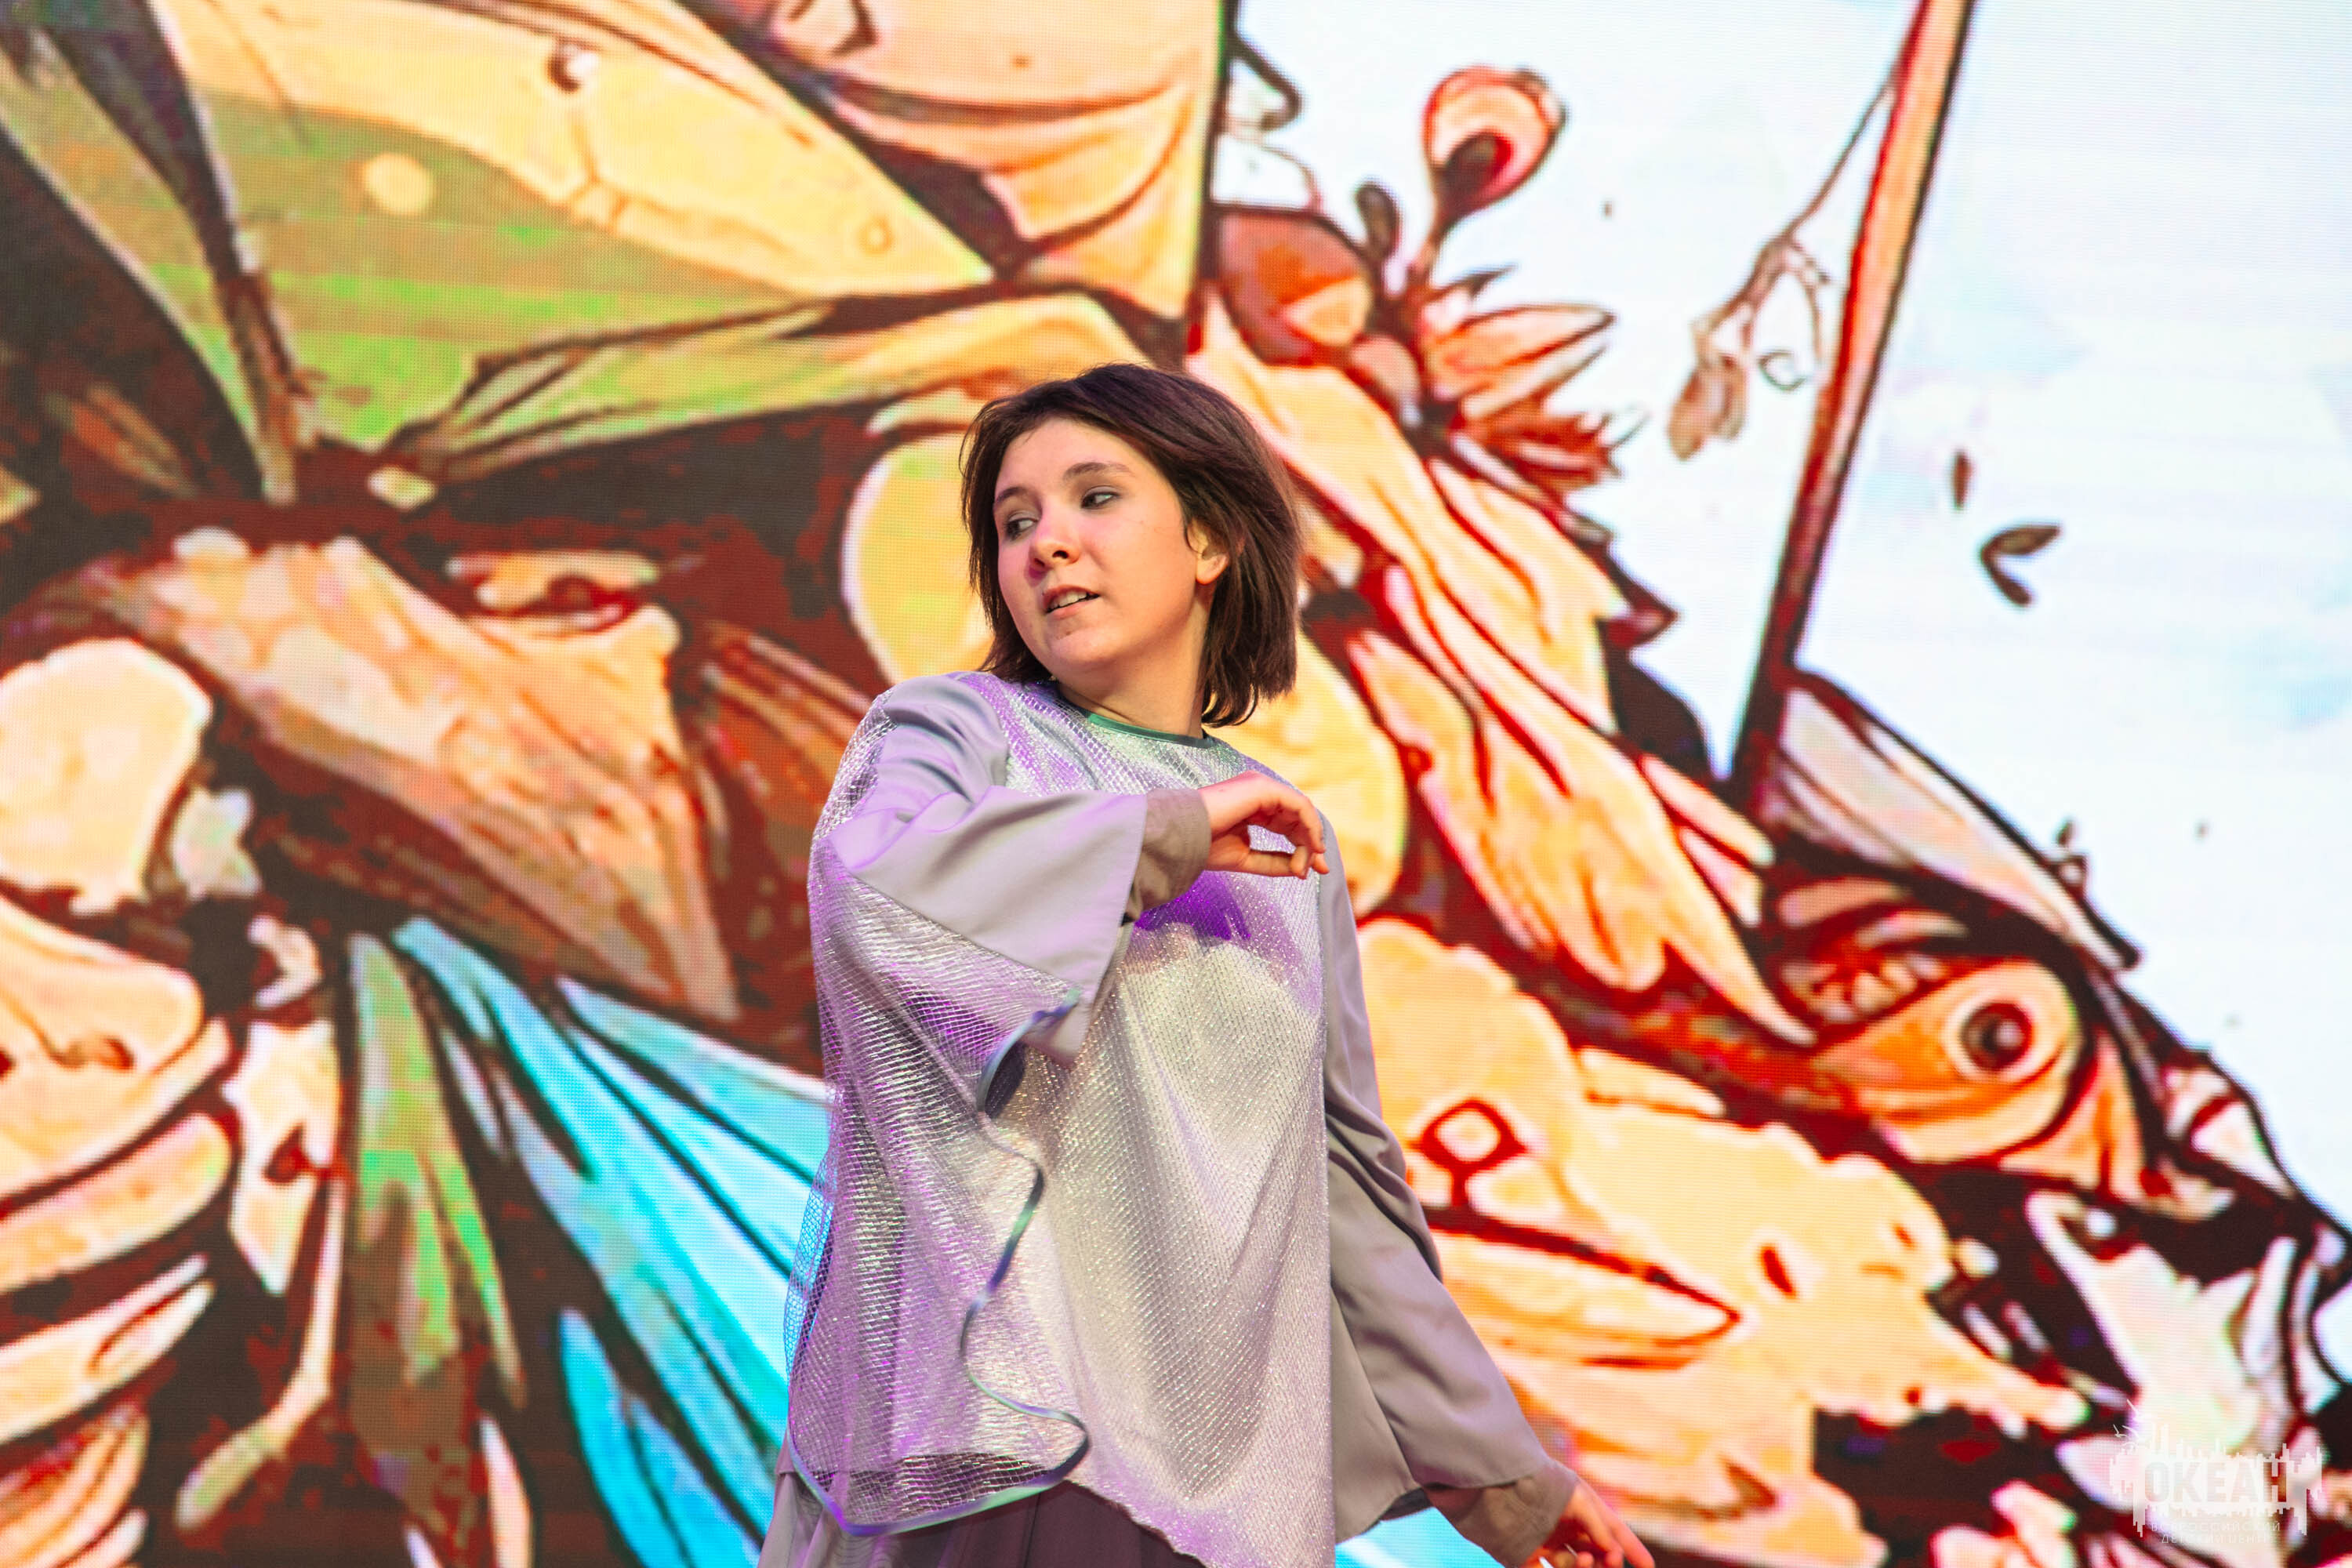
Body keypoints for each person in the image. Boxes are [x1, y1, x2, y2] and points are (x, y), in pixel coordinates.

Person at [762, 364, 1655, 1568]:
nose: (1047, 544)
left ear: (1211, 541)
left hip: (1205, 1501)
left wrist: (1503, 1476)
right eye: (1016, 522)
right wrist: (1161, 836)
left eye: (1095, 498)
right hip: (990, 1462)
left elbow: (1340, 1188)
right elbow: (880, 886)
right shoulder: (953, 733)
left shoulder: (1287, 840)